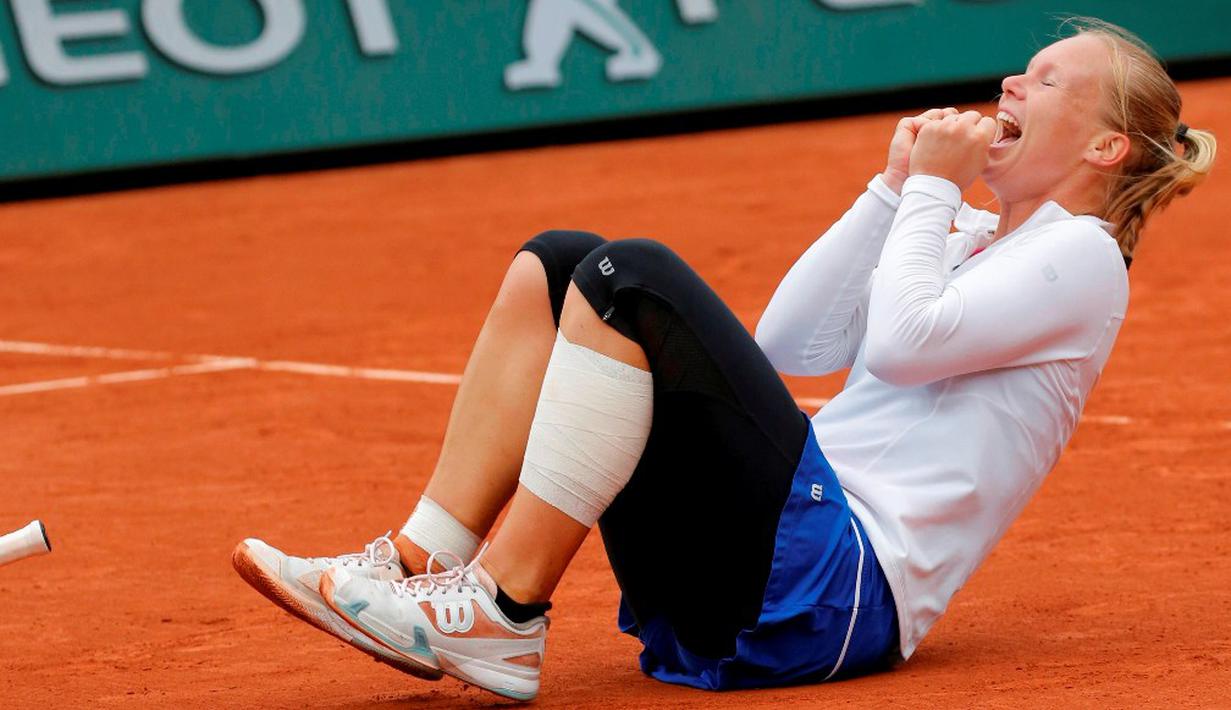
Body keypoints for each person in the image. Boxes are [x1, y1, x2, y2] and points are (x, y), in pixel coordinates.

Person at [232, 18, 1216, 701]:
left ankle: (500, 606)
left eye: (1046, 80)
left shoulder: (1082, 257)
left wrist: (925, 195)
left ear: (1106, 150)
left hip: (833, 593)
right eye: (1022, 67)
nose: (1011, 82)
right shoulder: (961, 234)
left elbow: (908, 346)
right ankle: (418, 562)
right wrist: (890, 189)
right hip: (768, 562)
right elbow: (790, 347)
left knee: (634, 275)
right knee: (563, 263)